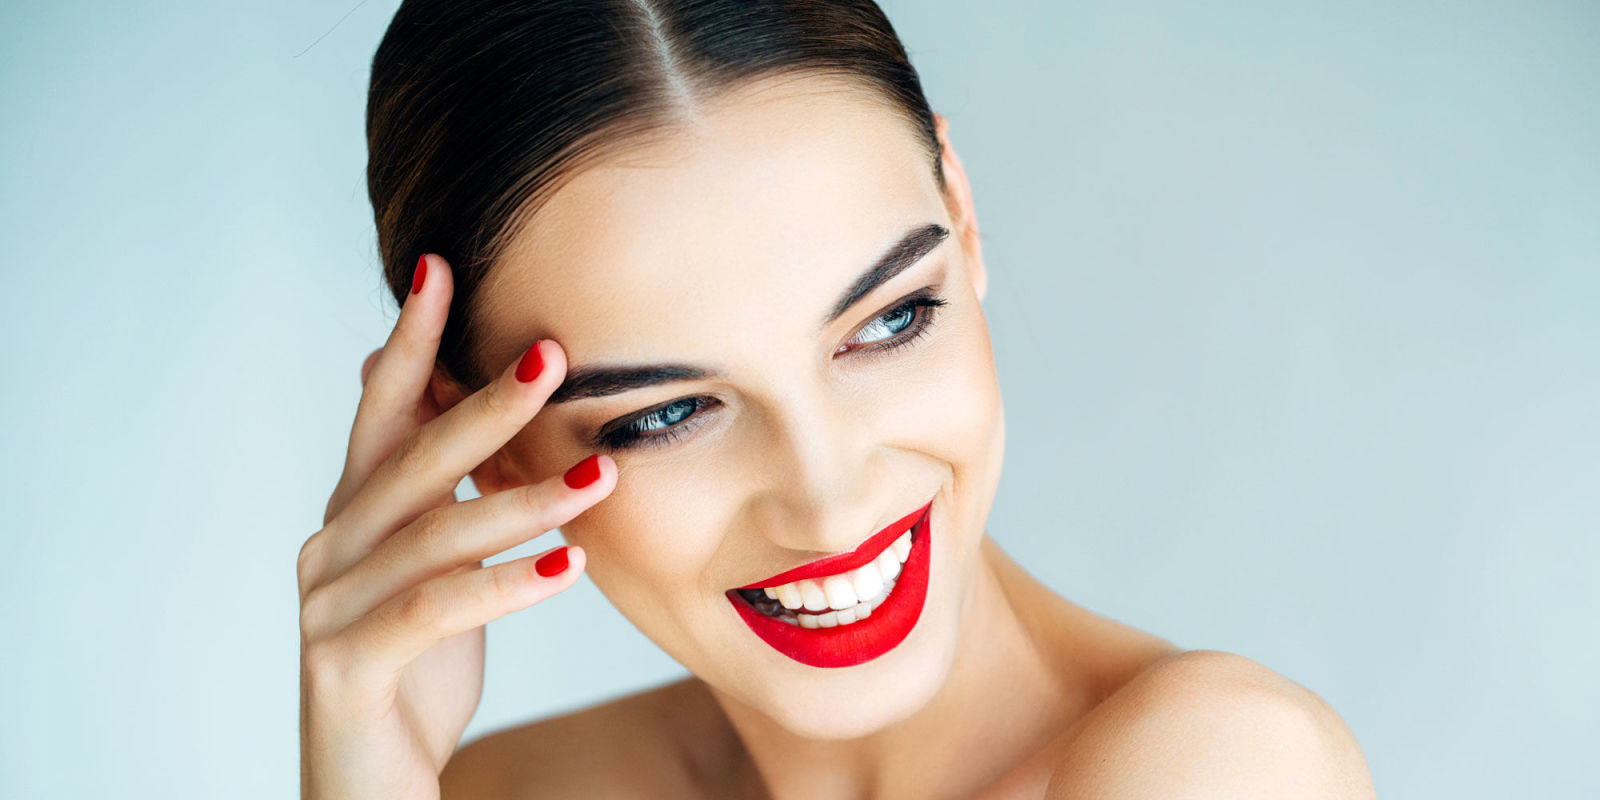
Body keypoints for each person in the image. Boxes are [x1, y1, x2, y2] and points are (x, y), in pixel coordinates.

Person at [297, 1, 1376, 797]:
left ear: (960, 209)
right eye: (666, 413)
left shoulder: (1215, 766)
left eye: (889, 321)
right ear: (478, 445)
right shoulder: (502, 789)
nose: (827, 501)